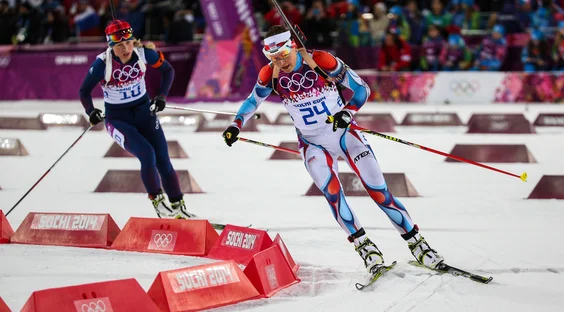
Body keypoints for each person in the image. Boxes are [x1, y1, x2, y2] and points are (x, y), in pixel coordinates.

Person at [222, 25, 444, 275]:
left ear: (292, 46)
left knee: (379, 192)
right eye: (273, 58)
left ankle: (418, 245)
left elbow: (362, 89)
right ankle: (366, 249)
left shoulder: (320, 61)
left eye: (282, 56)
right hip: (312, 143)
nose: (279, 62)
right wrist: (235, 124)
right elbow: (253, 100)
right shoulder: (270, 74)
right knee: (333, 194)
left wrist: (347, 113)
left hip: (344, 134)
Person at [79, 19, 195, 219]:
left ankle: (178, 206)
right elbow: (84, 91)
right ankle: (159, 203)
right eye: (119, 45)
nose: (125, 48)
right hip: (118, 120)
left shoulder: (144, 54)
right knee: (147, 154)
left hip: (145, 115)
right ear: (110, 45)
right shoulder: (102, 64)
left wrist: (161, 96)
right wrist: (91, 111)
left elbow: (168, 71)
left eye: (128, 42)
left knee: (164, 161)